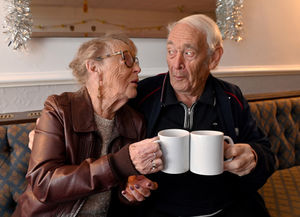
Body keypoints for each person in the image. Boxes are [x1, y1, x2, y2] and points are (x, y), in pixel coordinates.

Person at [125, 14, 276, 217]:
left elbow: (265, 153)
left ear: (213, 58)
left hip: (225, 208)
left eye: (188, 53)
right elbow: (118, 154)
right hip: (160, 210)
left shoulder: (231, 96)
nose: (176, 64)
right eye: (171, 51)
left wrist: (254, 156)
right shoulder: (144, 94)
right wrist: (128, 179)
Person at [12, 34, 164, 217]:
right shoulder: (59, 109)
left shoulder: (135, 122)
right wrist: (117, 164)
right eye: (127, 59)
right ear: (94, 67)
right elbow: (43, 184)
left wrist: (130, 192)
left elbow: (118, 191)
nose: (138, 69)